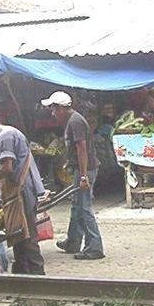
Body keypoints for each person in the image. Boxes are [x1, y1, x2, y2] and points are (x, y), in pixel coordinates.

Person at [0, 117, 45, 275]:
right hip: (20, 190)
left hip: (23, 190)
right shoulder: (7, 133)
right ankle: (21, 274)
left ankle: (38, 275)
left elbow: (7, 167)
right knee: (19, 234)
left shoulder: (4, 136)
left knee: (27, 235)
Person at [43, 91, 105, 260]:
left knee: (84, 207)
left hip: (86, 169)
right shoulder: (72, 120)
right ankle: (73, 241)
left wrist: (83, 176)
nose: (53, 114)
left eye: (53, 109)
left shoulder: (75, 122)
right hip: (81, 168)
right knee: (76, 205)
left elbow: (82, 149)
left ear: (61, 108)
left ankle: (94, 246)